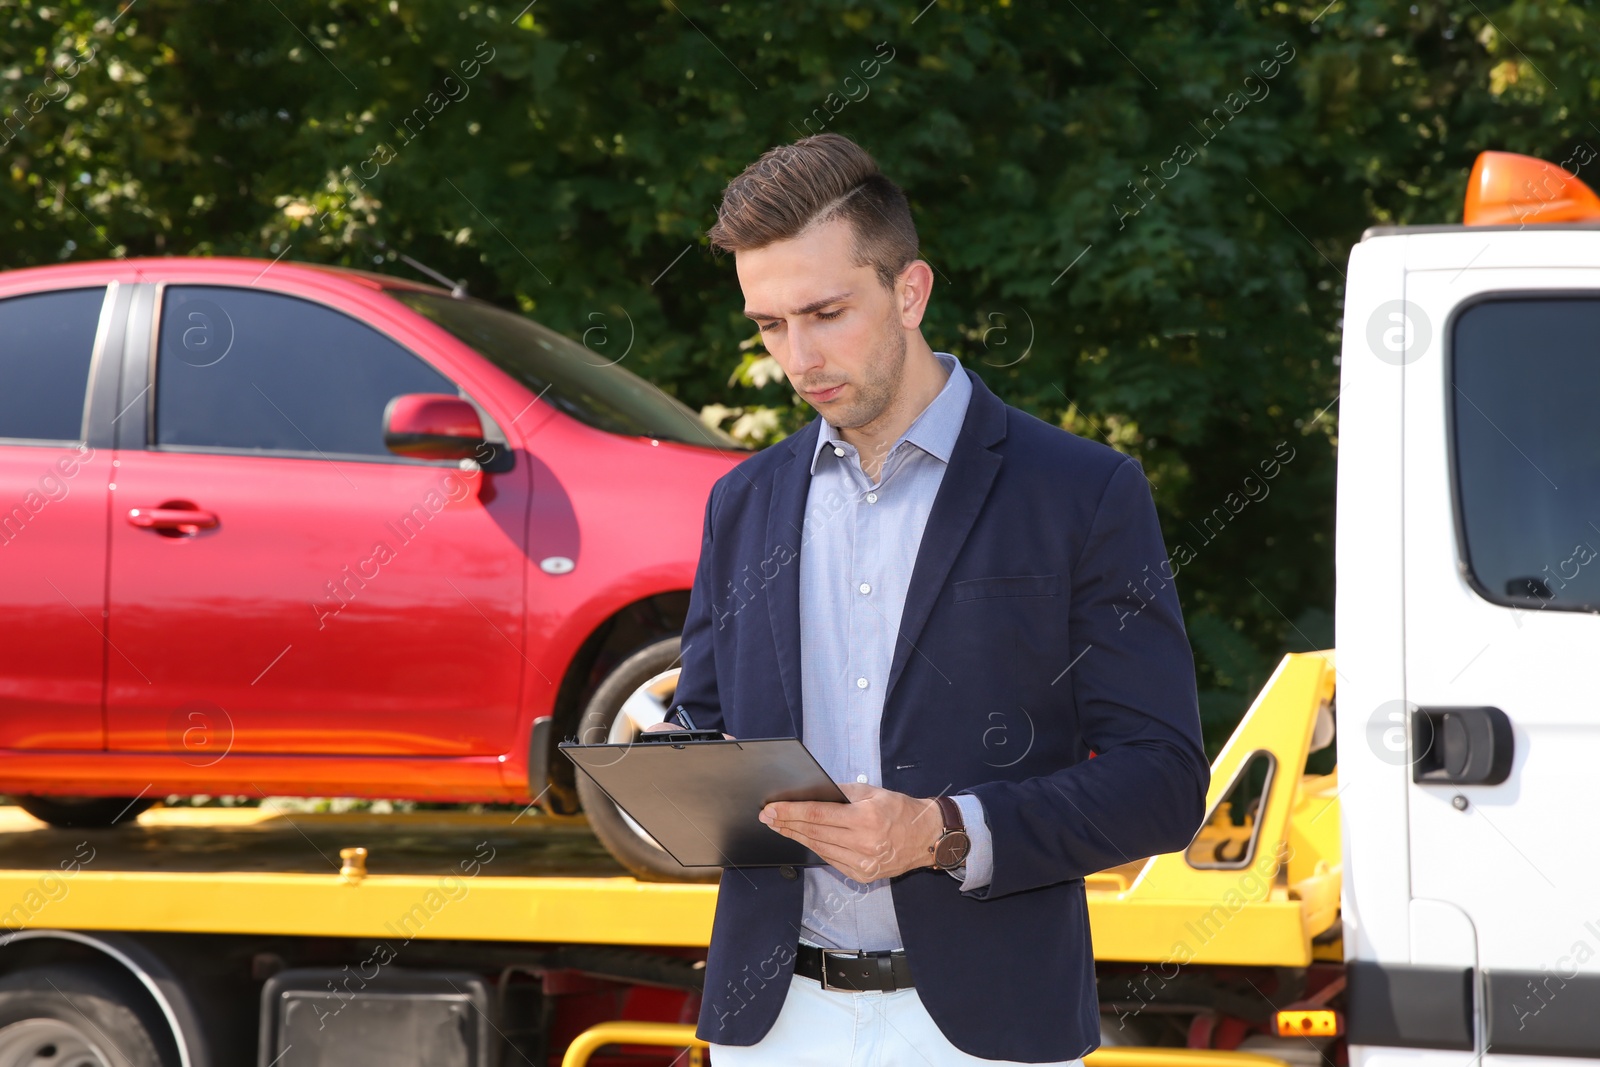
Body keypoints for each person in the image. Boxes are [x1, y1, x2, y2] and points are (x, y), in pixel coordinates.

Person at [647, 133, 1209, 1065]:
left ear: (910, 291)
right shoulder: (742, 504)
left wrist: (941, 833)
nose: (799, 356)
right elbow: (709, 728)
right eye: (769, 325)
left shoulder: (1080, 491)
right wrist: (668, 769)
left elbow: (1162, 780)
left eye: (826, 313)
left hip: (986, 1030)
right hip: (774, 1023)